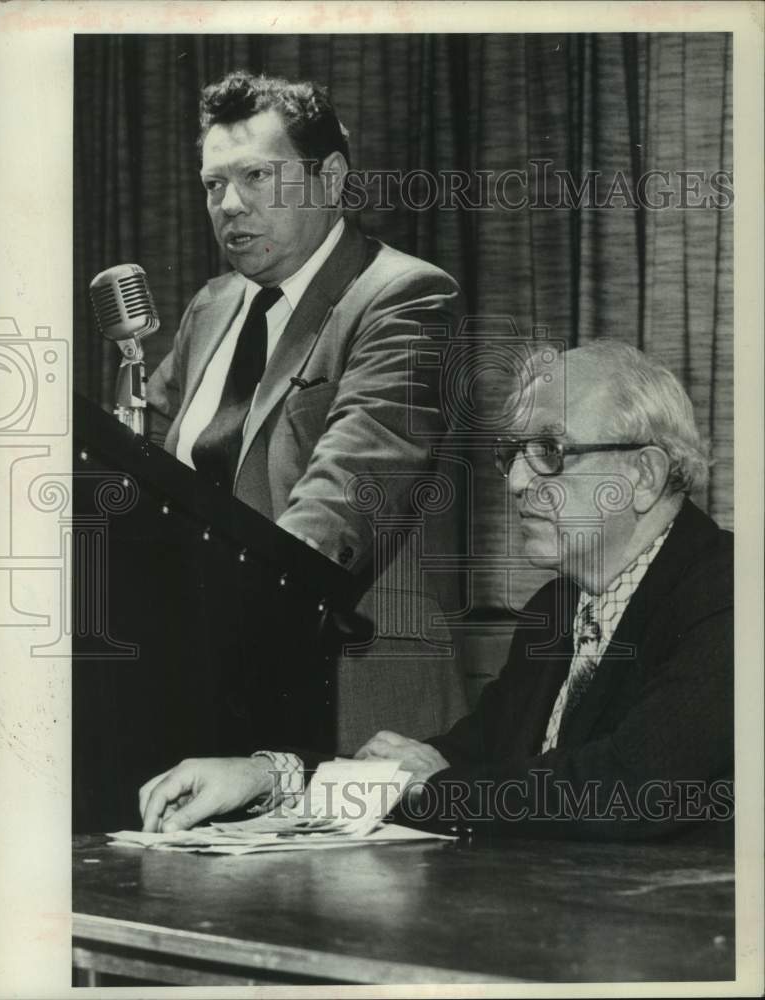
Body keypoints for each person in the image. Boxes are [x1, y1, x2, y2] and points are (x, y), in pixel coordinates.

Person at [140, 341, 734, 841]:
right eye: (514, 455)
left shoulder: (730, 593)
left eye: (550, 453)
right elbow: (464, 758)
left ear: (643, 475)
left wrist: (434, 785)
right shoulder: (554, 610)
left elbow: (625, 789)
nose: (520, 481)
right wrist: (272, 778)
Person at [146, 71, 467, 752]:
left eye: (257, 176)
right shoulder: (210, 307)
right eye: (212, 184)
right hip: (207, 684)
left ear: (330, 178)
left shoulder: (401, 296)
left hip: (348, 686)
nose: (229, 205)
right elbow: (151, 470)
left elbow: (353, 480)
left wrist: (230, 618)